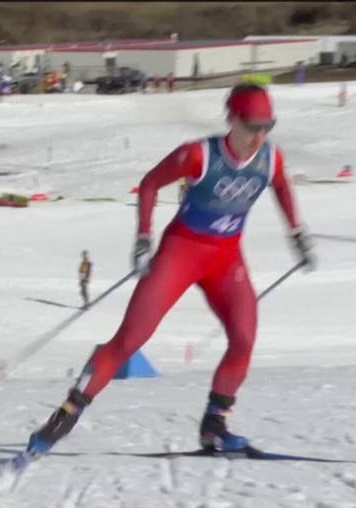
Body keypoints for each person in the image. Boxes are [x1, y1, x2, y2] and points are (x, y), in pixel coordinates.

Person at [19, 83, 315, 460]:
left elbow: (281, 185)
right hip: (181, 253)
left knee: (244, 338)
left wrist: (297, 232)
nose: (259, 135)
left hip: (226, 260)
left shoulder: (270, 158)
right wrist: (143, 237)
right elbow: (149, 184)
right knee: (130, 339)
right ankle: (65, 416)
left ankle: (215, 425)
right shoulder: (199, 155)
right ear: (232, 119)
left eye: (267, 126)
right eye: (252, 126)